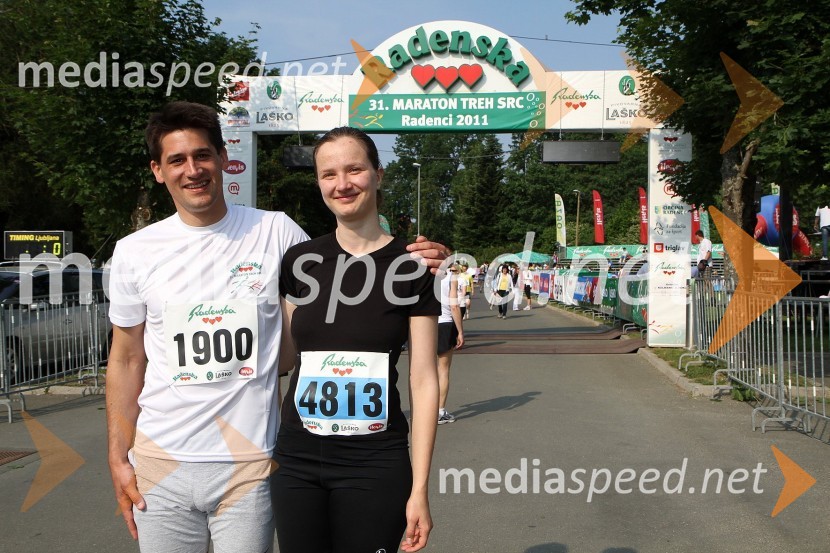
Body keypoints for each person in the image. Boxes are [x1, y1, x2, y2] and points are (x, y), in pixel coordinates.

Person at [106, 102, 448, 552]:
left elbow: (351, 263)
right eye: (177, 160)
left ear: (223, 158)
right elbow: (127, 358)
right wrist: (117, 454)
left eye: (203, 156)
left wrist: (427, 258)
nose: (193, 170)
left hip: (255, 459)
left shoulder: (278, 233)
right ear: (158, 170)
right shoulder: (134, 251)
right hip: (165, 459)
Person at [272, 126, 439, 553]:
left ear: (378, 175)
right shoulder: (300, 261)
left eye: (354, 170)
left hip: (375, 461)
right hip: (298, 457)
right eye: (329, 174)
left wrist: (420, 487)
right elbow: (287, 359)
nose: (342, 184)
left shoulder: (412, 266)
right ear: (319, 184)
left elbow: (423, 380)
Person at [437, 263, 464, 425]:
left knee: (424, 371)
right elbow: (454, 305)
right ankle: (440, 411)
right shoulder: (451, 278)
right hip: (445, 323)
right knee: (443, 370)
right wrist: (460, 331)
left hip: (426, 324)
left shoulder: (424, 275)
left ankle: (423, 409)